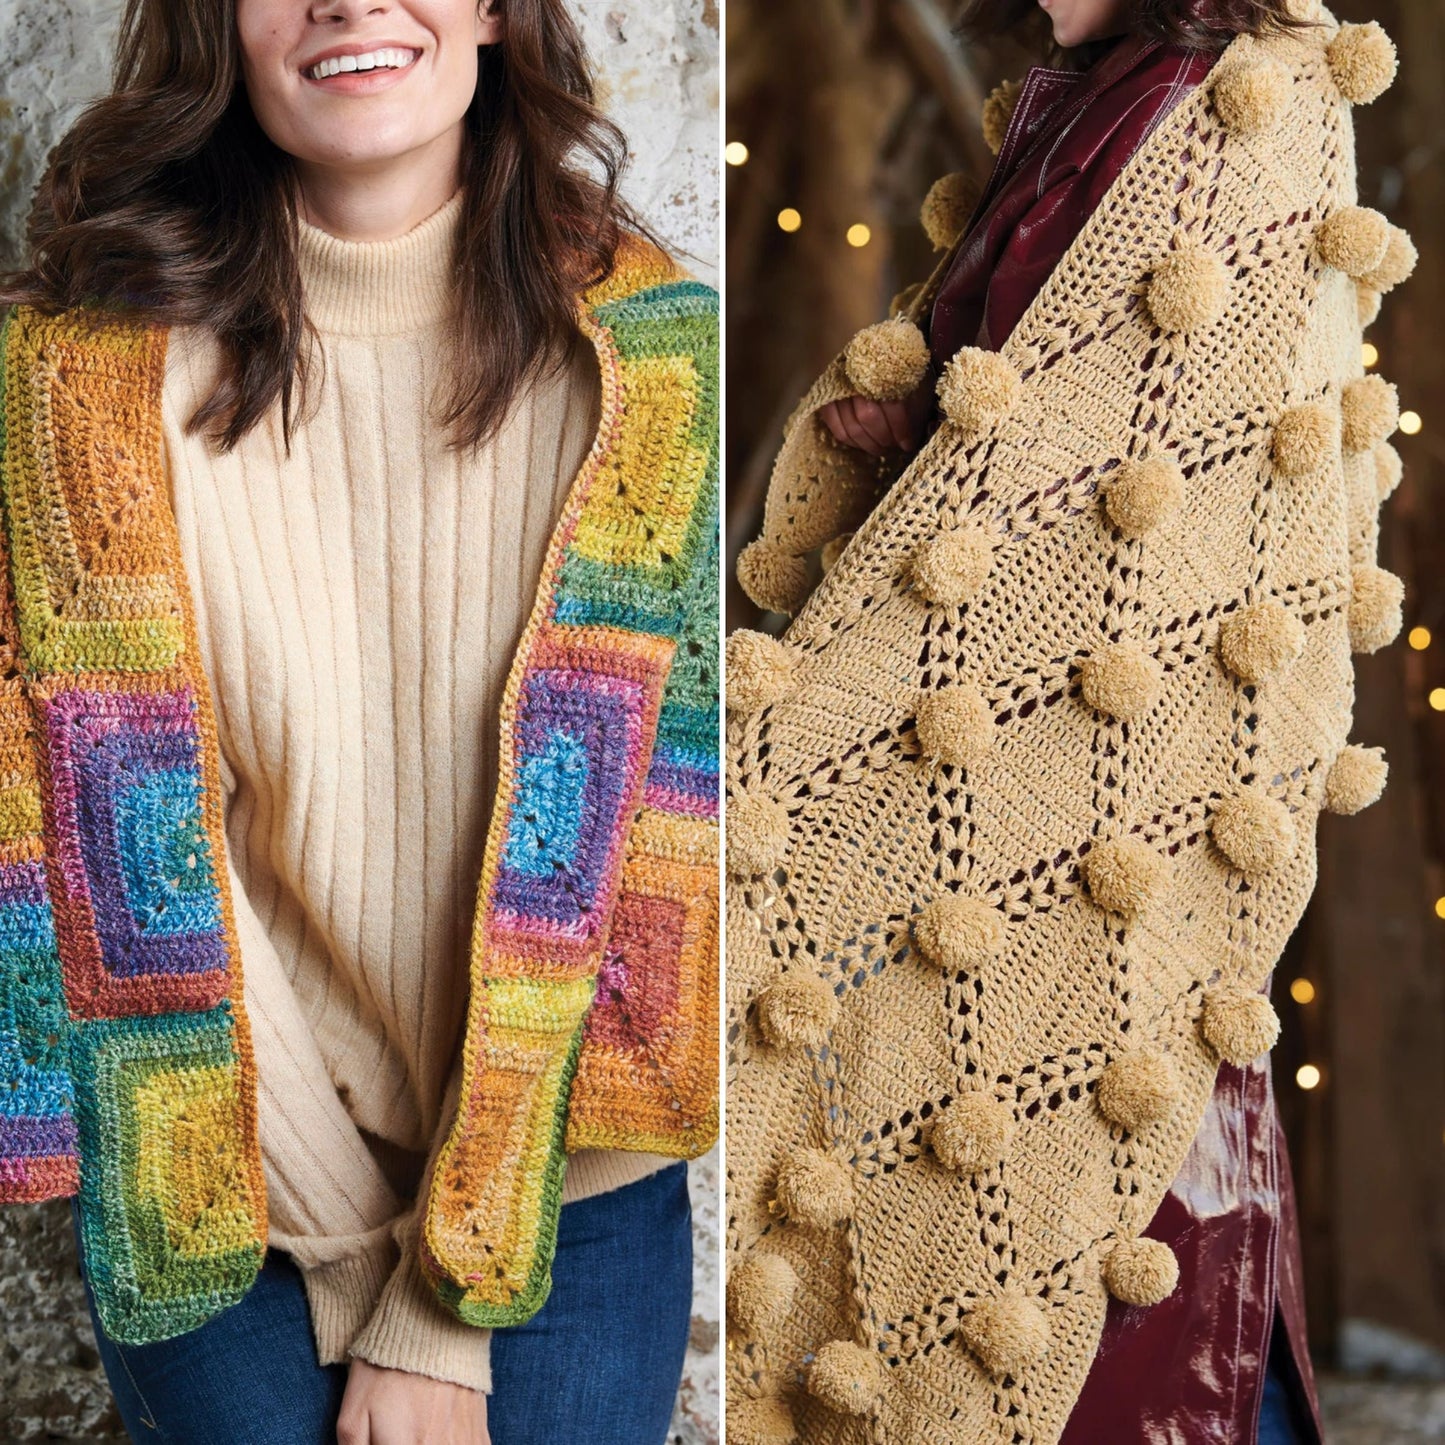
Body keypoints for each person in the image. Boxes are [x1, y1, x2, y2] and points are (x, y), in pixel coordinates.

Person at [0, 2, 719, 1443]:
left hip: (567, 1156)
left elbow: (653, 865)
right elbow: (121, 880)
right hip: (219, 1147)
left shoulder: (653, 366)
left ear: (493, 11)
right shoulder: (75, 377)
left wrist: (439, 1313)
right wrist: (349, 1261)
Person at [728, 0, 1408, 1441]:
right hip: (957, 723)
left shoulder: (1250, 106)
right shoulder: (1082, 95)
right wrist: (905, 428)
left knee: (1116, 1161)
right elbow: (1020, 409)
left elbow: (1176, 483)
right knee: (928, 1123)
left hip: (1102, 750)